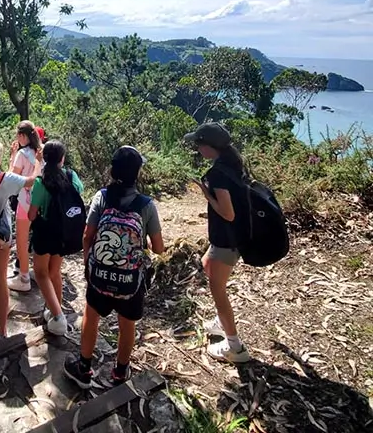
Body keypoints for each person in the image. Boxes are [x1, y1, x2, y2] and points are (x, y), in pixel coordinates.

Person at [64, 146, 164, 388]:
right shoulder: (147, 205)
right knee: (126, 323)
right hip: (130, 280)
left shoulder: (102, 197)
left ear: (112, 170)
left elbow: (88, 235)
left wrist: (90, 264)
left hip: (99, 273)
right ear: (137, 174)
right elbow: (159, 248)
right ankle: (120, 372)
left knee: (91, 315)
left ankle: (84, 368)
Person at [184, 123, 251, 363]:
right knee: (207, 265)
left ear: (210, 146)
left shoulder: (218, 175)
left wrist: (207, 195)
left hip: (227, 240)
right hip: (228, 238)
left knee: (218, 291)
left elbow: (228, 212)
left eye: (199, 144)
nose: (198, 148)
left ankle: (235, 347)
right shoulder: (232, 164)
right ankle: (221, 321)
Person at [0, 137, 42, 338]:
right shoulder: (5, 179)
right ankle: (2, 328)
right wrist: (37, 161)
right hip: (0, 235)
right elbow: (32, 182)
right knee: (0, 280)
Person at [28, 140, 84, 336]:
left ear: (43, 158)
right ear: (62, 158)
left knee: (41, 273)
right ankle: (54, 309)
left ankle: (58, 317)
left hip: (44, 235)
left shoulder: (40, 182)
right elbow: (78, 194)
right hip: (63, 233)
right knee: (54, 272)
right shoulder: (71, 176)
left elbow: (31, 215)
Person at [8, 120, 42, 293]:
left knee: (22, 239)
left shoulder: (22, 154)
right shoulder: (41, 152)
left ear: (22, 136)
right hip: (42, 202)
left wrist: (12, 156)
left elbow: (13, 179)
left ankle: (23, 277)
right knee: (39, 238)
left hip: (25, 202)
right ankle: (39, 271)